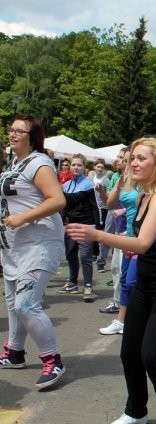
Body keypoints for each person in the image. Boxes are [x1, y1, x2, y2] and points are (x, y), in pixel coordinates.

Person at [67, 137, 156, 424]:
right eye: (132, 157)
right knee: (129, 353)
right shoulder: (142, 196)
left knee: (151, 355)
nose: (134, 162)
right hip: (145, 287)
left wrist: (97, 235)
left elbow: (143, 243)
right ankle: (136, 411)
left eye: (141, 158)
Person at [0, 114, 67, 389]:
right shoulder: (14, 163)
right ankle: (15, 352)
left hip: (39, 243)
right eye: (11, 129)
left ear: (32, 136)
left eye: (20, 131)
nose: (12, 134)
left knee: (26, 305)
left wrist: (24, 218)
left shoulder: (39, 163)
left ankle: (53, 359)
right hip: (14, 246)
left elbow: (58, 200)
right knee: (13, 304)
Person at [98, 150, 139, 336]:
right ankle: (121, 321)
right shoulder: (122, 178)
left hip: (140, 237)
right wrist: (116, 186)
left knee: (132, 281)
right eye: (124, 158)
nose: (123, 161)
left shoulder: (146, 181)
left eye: (128, 158)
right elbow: (110, 204)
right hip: (126, 235)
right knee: (124, 280)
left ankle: (144, 322)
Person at [58, 153, 98, 302]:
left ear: (84, 168)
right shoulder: (66, 185)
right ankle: (73, 283)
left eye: (79, 165)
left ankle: (88, 286)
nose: (76, 167)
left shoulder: (89, 184)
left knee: (85, 257)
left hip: (85, 225)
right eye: (73, 165)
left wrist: (97, 226)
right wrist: (61, 219)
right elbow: (64, 207)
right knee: (70, 254)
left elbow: (95, 207)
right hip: (70, 225)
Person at [98, 148, 128, 315]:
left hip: (128, 231)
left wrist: (123, 211)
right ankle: (118, 302)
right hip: (118, 228)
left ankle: (125, 305)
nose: (117, 159)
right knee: (116, 268)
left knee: (125, 272)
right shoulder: (117, 177)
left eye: (121, 157)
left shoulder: (136, 179)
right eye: (117, 157)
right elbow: (109, 204)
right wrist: (101, 192)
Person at [92, 158, 111, 273]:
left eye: (102, 167)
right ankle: (94, 252)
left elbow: (107, 196)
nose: (100, 169)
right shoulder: (91, 178)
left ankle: (100, 255)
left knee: (100, 230)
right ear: (94, 167)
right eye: (98, 167)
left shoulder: (106, 180)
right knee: (94, 229)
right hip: (93, 207)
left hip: (103, 208)